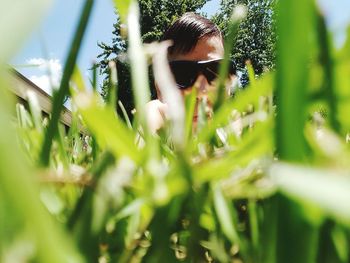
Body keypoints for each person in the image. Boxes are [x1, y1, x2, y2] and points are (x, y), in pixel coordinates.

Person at [146, 12, 237, 133]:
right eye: (182, 75)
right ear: (160, 88)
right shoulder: (156, 113)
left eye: (215, 72)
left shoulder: (241, 120)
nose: (200, 93)